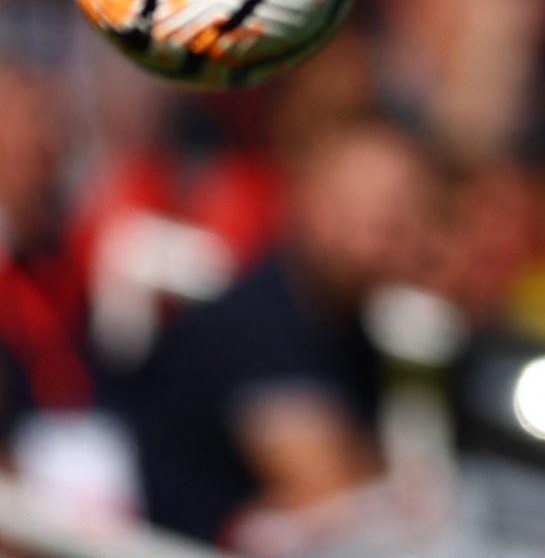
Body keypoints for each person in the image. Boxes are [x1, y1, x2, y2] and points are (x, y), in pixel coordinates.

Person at [124, 119, 435, 547]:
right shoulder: (258, 324)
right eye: (357, 207)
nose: (376, 235)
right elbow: (338, 503)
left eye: (398, 215)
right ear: (306, 200)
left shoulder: (350, 330)